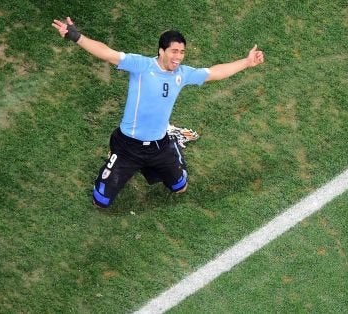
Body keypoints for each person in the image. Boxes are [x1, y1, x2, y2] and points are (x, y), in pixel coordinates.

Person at [52, 17, 264, 208]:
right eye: (174, 51)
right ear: (161, 51)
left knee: (180, 187)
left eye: (182, 52)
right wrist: (76, 36)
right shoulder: (141, 66)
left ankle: (174, 140)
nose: (178, 57)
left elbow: (215, 72)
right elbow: (107, 53)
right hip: (128, 147)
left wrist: (247, 62)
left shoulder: (182, 73)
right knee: (100, 201)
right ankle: (125, 158)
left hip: (158, 146)